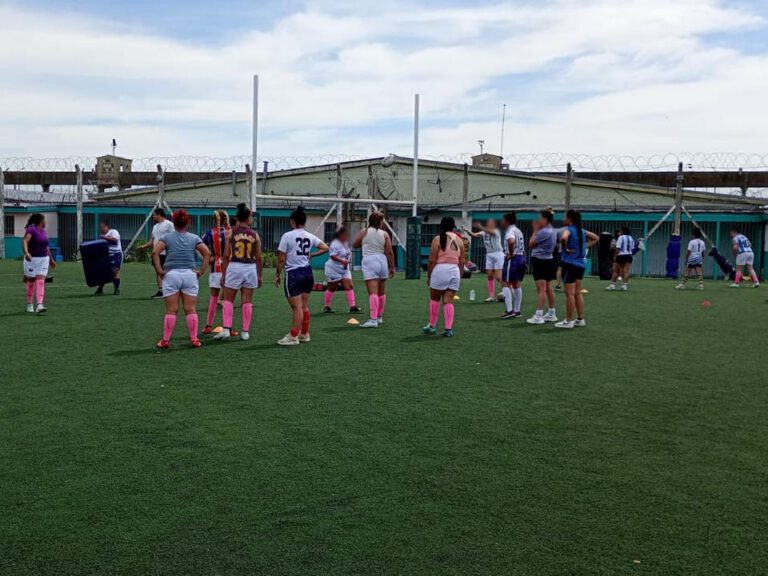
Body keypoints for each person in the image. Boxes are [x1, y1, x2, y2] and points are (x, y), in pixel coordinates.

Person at [152, 209, 211, 349]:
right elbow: (207, 253)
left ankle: (165, 340)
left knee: (171, 310)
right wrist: (201, 271)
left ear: (174, 222)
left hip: (171, 275)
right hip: (190, 275)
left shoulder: (167, 237)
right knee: (190, 309)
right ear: (188, 223)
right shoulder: (194, 237)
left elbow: (155, 252)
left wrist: (160, 271)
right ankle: (194, 339)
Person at [275, 207, 329, 346]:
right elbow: (325, 247)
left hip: (294, 273)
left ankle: (293, 336)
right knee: (304, 306)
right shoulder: (310, 236)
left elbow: (281, 258)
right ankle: (305, 333)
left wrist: (277, 274)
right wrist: (312, 255)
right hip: (307, 273)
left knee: (296, 307)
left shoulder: (287, 236)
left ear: (292, 221)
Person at [214, 204, 263, 342]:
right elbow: (259, 257)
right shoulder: (255, 235)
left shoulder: (231, 233)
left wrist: (223, 275)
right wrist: (259, 276)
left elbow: (225, 255)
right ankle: (245, 332)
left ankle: (226, 329)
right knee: (247, 301)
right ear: (247, 218)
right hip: (250, 268)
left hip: (235, 267)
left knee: (228, 300)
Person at [423, 217, 465, 337]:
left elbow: (432, 260)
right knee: (448, 300)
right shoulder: (459, 240)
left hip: (440, 271)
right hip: (454, 271)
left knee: (435, 299)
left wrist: (429, 276)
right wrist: (460, 274)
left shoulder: (437, 239)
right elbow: (462, 260)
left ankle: (432, 326)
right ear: (453, 226)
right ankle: (448, 329)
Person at [556, 209, 598, 329]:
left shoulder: (568, 230)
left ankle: (568, 321)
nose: (563, 219)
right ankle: (580, 319)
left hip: (570, 264)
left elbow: (564, 238)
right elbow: (596, 237)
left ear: (570, 219)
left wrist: (566, 248)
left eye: (565, 217)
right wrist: (584, 247)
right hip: (580, 265)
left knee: (569, 294)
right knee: (577, 293)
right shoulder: (582, 231)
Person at [353, 211, 396, 328]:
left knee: (373, 292)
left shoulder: (364, 231)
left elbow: (355, 244)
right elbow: (389, 252)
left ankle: (373, 320)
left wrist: (365, 242)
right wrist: (392, 267)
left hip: (369, 260)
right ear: (380, 222)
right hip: (382, 261)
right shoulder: (385, 234)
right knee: (382, 291)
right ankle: (379, 317)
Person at [201, 210, 231, 334]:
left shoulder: (209, 233)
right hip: (228, 268)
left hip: (215, 267)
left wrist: (208, 258)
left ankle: (208, 325)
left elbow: (199, 246)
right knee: (228, 300)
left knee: (213, 298)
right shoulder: (230, 232)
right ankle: (228, 328)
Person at [526, 208, 558, 324]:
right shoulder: (552, 230)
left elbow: (531, 243)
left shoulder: (543, 231)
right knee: (549, 288)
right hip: (549, 260)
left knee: (541, 290)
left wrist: (535, 231)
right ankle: (551, 313)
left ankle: (538, 316)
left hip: (540, 261)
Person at [22, 213, 56, 314]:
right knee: (31, 282)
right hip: (32, 260)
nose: (45, 222)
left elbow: (46, 247)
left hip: (43, 259)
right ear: (40, 221)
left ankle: (40, 305)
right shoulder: (31, 229)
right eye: (44, 220)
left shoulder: (44, 232)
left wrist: (51, 259)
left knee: (40, 280)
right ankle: (29, 304)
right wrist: (27, 253)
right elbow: (25, 241)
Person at [462, 219, 503, 302]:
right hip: (489, 254)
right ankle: (491, 296)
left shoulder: (496, 231)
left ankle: (506, 289)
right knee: (490, 275)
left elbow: (491, 232)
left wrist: (480, 227)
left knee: (498, 277)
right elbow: (474, 235)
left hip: (498, 254)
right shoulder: (484, 232)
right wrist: (467, 230)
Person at [323, 226, 362, 314]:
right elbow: (332, 255)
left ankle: (352, 306)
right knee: (332, 288)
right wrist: (342, 261)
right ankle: (327, 306)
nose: (347, 236)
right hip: (333, 269)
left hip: (344, 269)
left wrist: (345, 263)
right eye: (345, 234)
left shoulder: (345, 243)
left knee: (350, 286)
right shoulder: (335, 243)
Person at [139, 208, 175, 298]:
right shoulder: (155, 227)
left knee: (167, 272)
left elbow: (175, 237)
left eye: (154, 214)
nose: (153, 216)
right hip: (156, 253)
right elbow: (152, 240)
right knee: (158, 272)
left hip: (166, 253)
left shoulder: (169, 224)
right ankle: (161, 291)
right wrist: (144, 246)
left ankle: (170, 290)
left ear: (159, 214)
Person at [500, 212, 526, 319]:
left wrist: (510, 254)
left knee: (506, 283)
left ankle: (510, 311)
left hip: (513, 259)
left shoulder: (510, 231)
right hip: (521, 258)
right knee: (516, 284)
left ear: (507, 221)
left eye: (503, 220)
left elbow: (511, 242)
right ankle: (517, 311)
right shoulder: (518, 231)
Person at [95, 219, 122, 295]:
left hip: (116, 254)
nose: (101, 229)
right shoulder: (103, 236)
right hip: (107, 256)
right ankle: (100, 289)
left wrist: (104, 237)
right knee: (103, 272)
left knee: (115, 271)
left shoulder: (113, 231)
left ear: (107, 226)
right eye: (100, 227)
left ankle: (117, 289)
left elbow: (115, 240)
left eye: (102, 227)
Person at [607, 227, 635, 291]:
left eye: (620, 231)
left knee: (616, 270)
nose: (619, 233)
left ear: (623, 231)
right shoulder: (631, 238)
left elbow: (618, 248)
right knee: (625, 271)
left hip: (621, 255)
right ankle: (624, 286)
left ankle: (612, 285)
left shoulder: (621, 237)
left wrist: (615, 256)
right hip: (629, 255)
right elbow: (632, 248)